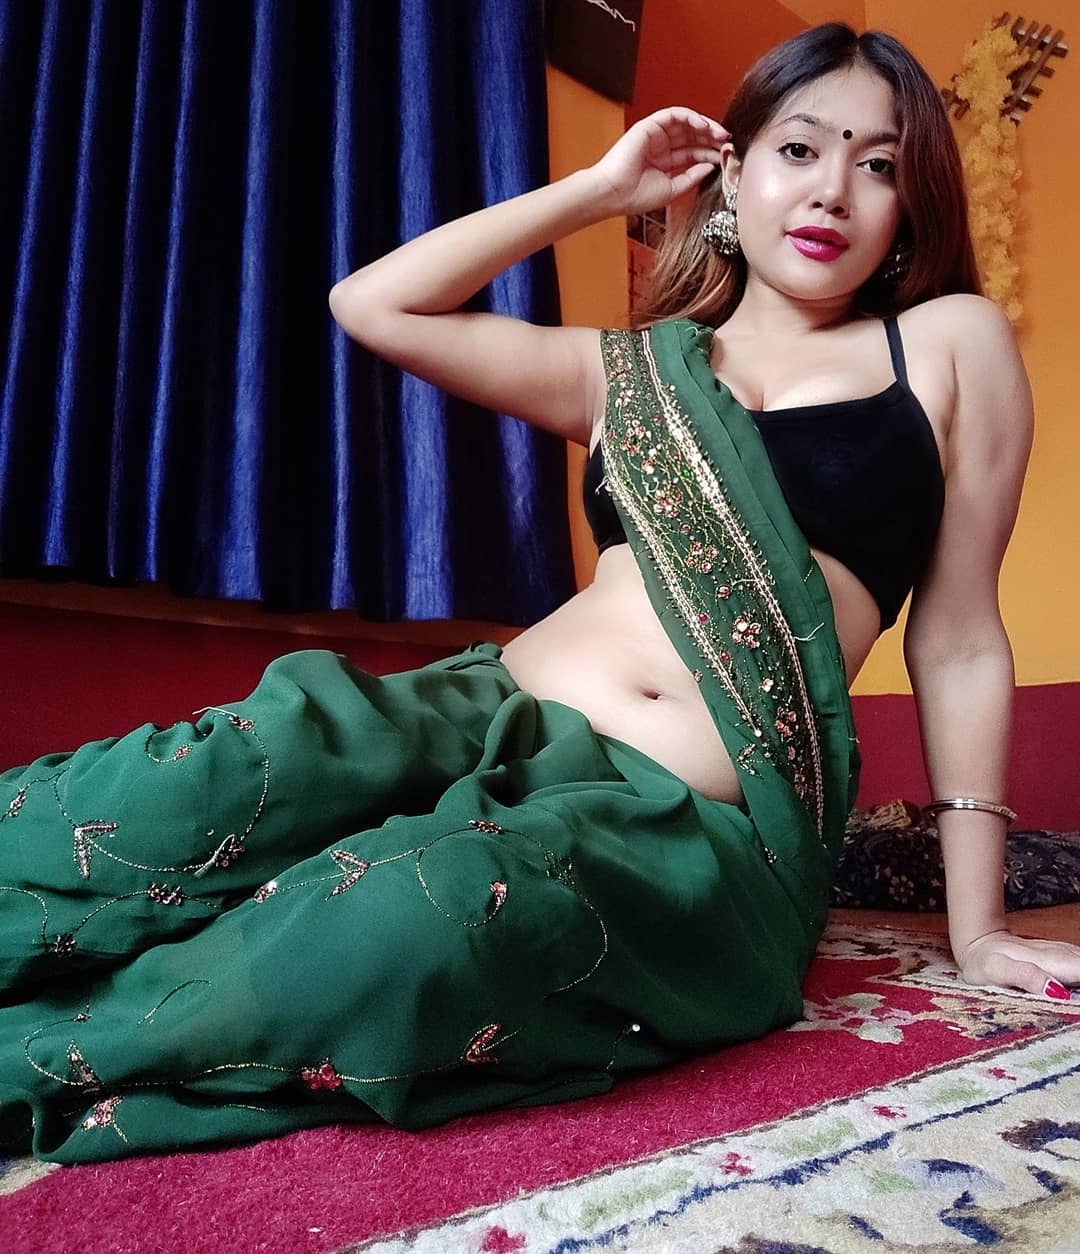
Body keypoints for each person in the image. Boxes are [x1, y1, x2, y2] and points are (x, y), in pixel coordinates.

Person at [2, 23, 1077, 1165]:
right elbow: (373, 304)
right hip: (471, 717)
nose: (833, 191)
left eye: (880, 165)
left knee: (400, 918)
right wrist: (597, 191)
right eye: (800, 149)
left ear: (911, 205)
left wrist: (977, 930)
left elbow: (959, 641)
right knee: (184, 790)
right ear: (733, 175)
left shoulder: (946, 347)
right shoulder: (630, 370)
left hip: (678, 822)